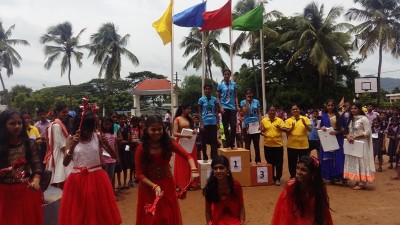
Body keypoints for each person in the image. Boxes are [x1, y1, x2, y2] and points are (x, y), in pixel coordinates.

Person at [59, 110, 121, 225]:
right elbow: (65, 163)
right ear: (79, 125)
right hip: (78, 181)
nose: (87, 132)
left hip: (97, 179)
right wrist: (72, 147)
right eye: (85, 128)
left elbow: (114, 157)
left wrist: (106, 144)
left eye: (90, 128)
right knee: (80, 212)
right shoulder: (71, 139)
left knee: (98, 212)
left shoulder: (97, 137)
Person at [135, 115, 199, 225]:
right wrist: (154, 186)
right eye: (153, 130)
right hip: (148, 188)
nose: (157, 132)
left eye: (159, 129)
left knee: (167, 216)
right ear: (147, 130)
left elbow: (187, 156)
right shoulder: (141, 148)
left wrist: (193, 169)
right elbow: (139, 174)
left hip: (166, 185)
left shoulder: (168, 143)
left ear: (163, 129)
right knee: (151, 218)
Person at [0, 109, 44, 225]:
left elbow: (36, 164)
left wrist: (36, 179)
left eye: (19, 123)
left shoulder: (29, 143)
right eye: (12, 123)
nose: (17, 126)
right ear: (3, 125)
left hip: (25, 190)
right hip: (4, 193)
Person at [271, 155, 333, 225]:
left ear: (313, 173)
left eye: (303, 170)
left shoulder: (319, 186)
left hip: (311, 215)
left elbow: (322, 209)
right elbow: (290, 213)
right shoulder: (291, 186)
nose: (298, 172)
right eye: (297, 168)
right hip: (295, 214)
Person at [203, 155, 246, 225]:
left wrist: (242, 223)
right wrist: (209, 223)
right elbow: (208, 210)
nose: (218, 171)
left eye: (221, 168)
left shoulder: (236, 185)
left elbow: (241, 206)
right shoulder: (210, 187)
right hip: (217, 219)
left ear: (228, 169)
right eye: (215, 168)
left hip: (234, 218)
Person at [344, 102, 375, 190]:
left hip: (362, 143)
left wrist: (356, 136)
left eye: (355, 108)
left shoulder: (364, 119)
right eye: (352, 108)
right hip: (352, 143)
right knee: (354, 161)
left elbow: (368, 132)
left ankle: (362, 182)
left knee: (361, 161)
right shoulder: (350, 119)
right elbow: (347, 131)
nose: (353, 110)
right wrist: (348, 136)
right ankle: (357, 180)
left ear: (360, 109)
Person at [44, 103, 73, 189]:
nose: (66, 114)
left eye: (67, 112)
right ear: (57, 112)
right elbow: (60, 144)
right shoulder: (56, 125)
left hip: (61, 152)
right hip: (61, 154)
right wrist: (69, 154)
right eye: (63, 112)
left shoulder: (56, 123)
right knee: (62, 178)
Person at [319, 99, 346, 185]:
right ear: (326, 106)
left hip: (338, 138)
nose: (330, 107)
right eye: (328, 105)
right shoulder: (323, 116)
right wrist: (322, 127)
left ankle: (339, 176)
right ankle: (329, 177)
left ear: (335, 106)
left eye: (332, 105)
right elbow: (321, 127)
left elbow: (345, 128)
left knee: (338, 157)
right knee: (328, 157)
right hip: (327, 139)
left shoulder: (340, 115)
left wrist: (337, 132)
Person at [173, 104, 199, 189]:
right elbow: (174, 133)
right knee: (182, 162)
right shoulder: (177, 119)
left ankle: (192, 182)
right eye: (188, 109)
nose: (189, 110)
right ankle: (182, 183)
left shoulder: (190, 118)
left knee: (192, 160)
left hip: (190, 142)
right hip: (181, 142)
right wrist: (185, 136)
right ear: (183, 109)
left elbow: (191, 130)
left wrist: (194, 132)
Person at [260, 105, 286, 186]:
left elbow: (285, 129)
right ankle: (271, 178)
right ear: (268, 112)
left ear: (276, 112)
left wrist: (280, 128)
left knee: (278, 163)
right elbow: (261, 130)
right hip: (267, 145)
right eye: (270, 110)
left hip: (278, 145)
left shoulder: (280, 120)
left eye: (273, 110)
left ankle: (278, 178)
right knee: (270, 163)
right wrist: (262, 133)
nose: (272, 112)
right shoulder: (264, 120)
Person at [285, 104, 312, 178]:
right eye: (293, 109)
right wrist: (292, 128)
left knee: (304, 163)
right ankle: (293, 177)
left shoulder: (305, 118)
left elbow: (310, 129)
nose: (295, 110)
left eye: (296, 109)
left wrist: (304, 124)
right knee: (292, 163)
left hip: (303, 145)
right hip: (291, 145)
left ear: (299, 110)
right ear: (291, 111)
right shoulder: (288, 120)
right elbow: (287, 132)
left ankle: (303, 177)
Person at [217, 69, 240, 149]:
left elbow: (236, 96)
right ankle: (227, 144)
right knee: (225, 127)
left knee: (233, 126)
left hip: (232, 108)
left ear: (230, 75)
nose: (226, 76)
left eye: (228, 74)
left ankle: (232, 144)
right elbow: (218, 97)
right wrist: (221, 107)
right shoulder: (220, 85)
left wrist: (237, 106)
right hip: (224, 108)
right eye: (225, 74)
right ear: (223, 75)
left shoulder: (234, 84)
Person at [240, 88, 262, 163]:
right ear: (245, 95)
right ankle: (248, 160)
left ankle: (258, 160)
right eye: (247, 94)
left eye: (250, 93)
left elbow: (259, 113)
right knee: (247, 145)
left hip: (256, 125)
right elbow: (245, 112)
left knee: (256, 145)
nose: (249, 95)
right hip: (247, 126)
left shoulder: (256, 102)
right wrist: (247, 101)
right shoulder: (242, 102)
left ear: (252, 94)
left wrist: (260, 123)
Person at [198, 84, 219, 161]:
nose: (207, 90)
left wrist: (217, 122)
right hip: (205, 123)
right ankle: (205, 156)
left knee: (214, 141)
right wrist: (201, 124)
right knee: (204, 141)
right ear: (204, 90)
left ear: (211, 90)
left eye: (209, 89)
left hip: (213, 123)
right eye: (206, 89)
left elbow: (216, 111)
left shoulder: (215, 99)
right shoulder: (201, 100)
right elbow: (199, 112)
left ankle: (214, 157)